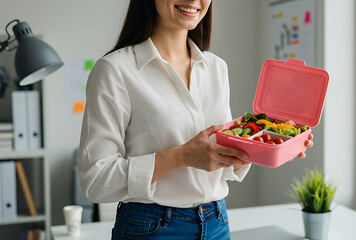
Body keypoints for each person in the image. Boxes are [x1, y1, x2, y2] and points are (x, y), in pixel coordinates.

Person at [78, 0, 313, 239]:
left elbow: (223, 160)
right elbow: (96, 180)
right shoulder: (115, 70)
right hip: (150, 229)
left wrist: (271, 145)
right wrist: (181, 156)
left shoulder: (216, 68)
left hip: (217, 223)